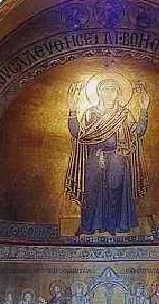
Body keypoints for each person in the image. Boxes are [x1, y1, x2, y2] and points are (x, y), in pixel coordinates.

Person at [64, 74, 149, 235]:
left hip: (117, 158)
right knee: (91, 192)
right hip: (94, 158)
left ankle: (113, 226)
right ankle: (88, 226)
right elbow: (78, 133)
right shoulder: (90, 113)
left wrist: (143, 110)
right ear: (99, 92)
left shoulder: (124, 114)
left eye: (113, 89)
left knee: (115, 191)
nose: (109, 93)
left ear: (118, 93)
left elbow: (137, 132)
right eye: (105, 89)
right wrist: (72, 109)